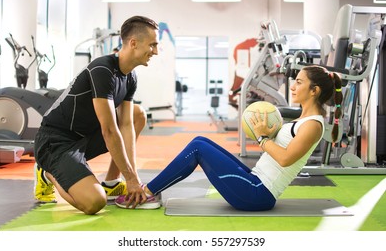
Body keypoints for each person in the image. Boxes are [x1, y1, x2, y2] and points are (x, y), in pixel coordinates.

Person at [115, 65, 342, 211]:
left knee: (197, 149)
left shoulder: (313, 125)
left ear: (315, 91)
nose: (293, 87)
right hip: (254, 179)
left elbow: (285, 159)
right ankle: (152, 190)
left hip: (258, 193)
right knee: (200, 141)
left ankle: (147, 193)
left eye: (299, 82)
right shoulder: (303, 120)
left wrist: (263, 138)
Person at [34, 15, 160, 215]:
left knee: (138, 115)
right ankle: (46, 172)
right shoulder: (103, 69)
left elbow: (126, 126)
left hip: (84, 138)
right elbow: (109, 131)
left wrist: (132, 178)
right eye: (153, 45)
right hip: (56, 141)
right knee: (94, 203)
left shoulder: (130, 77)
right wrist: (132, 180)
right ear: (134, 43)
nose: (156, 52)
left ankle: (111, 183)